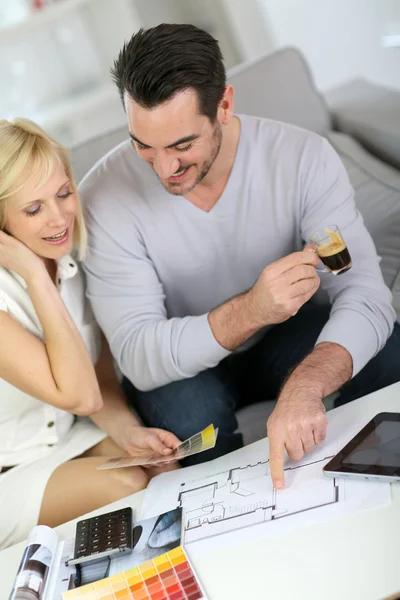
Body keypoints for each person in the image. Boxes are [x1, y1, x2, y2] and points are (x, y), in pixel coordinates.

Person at [80, 24, 400, 490]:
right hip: (180, 363)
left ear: (224, 106)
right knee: (192, 420)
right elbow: (138, 353)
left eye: (182, 146)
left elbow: (364, 293)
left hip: (283, 336)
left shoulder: (301, 158)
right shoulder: (103, 198)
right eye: (143, 145)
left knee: (388, 352)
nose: (164, 168)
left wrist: (307, 383)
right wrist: (251, 309)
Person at [0, 118, 180, 549]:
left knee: (162, 473)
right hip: (8, 471)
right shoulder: (25, 278)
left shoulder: (69, 264)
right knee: (126, 488)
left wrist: (129, 433)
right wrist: (35, 278)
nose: (60, 217)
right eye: (33, 209)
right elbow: (81, 398)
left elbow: (99, 381)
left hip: (65, 440)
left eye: (64, 194)